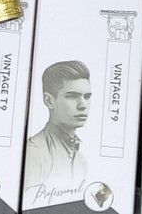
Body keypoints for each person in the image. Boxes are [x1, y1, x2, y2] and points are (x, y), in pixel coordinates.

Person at [24, 60, 91, 188]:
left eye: (87, 96)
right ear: (49, 101)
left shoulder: (81, 161)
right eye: (72, 96)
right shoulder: (35, 152)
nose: (83, 105)